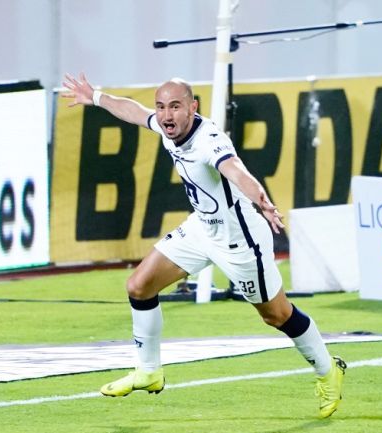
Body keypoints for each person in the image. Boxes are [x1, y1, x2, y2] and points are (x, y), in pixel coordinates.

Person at [61, 72, 346, 418]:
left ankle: (328, 369)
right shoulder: (169, 128)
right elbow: (135, 112)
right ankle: (148, 371)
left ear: (193, 107)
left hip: (240, 240)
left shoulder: (209, 140)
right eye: (162, 107)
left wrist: (262, 201)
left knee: (277, 315)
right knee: (139, 286)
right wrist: (96, 97)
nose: (166, 115)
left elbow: (237, 171)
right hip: (201, 229)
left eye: (175, 107)